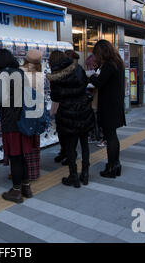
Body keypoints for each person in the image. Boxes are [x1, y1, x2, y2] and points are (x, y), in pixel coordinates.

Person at [0, 48, 35, 203]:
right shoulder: (21, 72)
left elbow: (0, 100)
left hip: (11, 122)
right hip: (24, 120)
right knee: (23, 156)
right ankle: (26, 187)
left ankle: (16, 191)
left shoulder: (2, 75)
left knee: (15, 157)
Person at [47, 50, 94, 187]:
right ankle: (85, 173)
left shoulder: (56, 76)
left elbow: (55, 97)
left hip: (67, 113)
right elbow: (85, 83)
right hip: (84, 110)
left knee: (70, 146)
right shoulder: (77, 68)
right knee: (84, 144)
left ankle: (73, 175)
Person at [88, 39, 126, 178]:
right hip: (115, 105)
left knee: (110, 137)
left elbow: (99, 82)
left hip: (109, 106)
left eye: (96, 54)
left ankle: (111, 167)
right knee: (113, 136)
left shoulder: (109, 65)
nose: (96, 57)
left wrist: (91, 76)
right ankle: (116, 164)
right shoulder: (118, 63)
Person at [20, 49, 43, 181]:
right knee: (34, 143)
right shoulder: (39, 75)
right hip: (35, 113)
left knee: (22, 143)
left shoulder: (20, 72)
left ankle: (20, 172)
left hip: (23, 112)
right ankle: (33, 173)